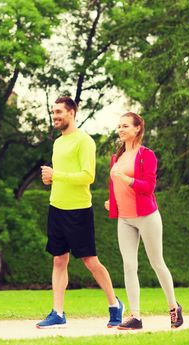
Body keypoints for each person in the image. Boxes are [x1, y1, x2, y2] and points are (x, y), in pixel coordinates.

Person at [36, 96, 124, 329]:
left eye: (59, 112)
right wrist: (50, 180)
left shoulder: (85, 141)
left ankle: (115, 305)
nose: (55, 116)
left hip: (78, 210)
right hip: (56, 207)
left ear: (72, 113)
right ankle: (58, 312)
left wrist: (56, 175)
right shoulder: (57, 143)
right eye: (53, 112)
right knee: (58, 260)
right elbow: (60, 175)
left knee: (90, 261)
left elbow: (88, 176)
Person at [104, 112, 184, 330]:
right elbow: (115, 186)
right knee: (129, 266)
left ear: (137, 128)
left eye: (125, 126)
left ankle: (174, 307)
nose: (120, 130)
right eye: (119, 126)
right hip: (125, 218)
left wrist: (126, 179)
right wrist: (113, 203)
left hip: (147, 216)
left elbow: (148, 187)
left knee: (157, 263)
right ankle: (135, 317)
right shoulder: (117, 157)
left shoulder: (146, 155)